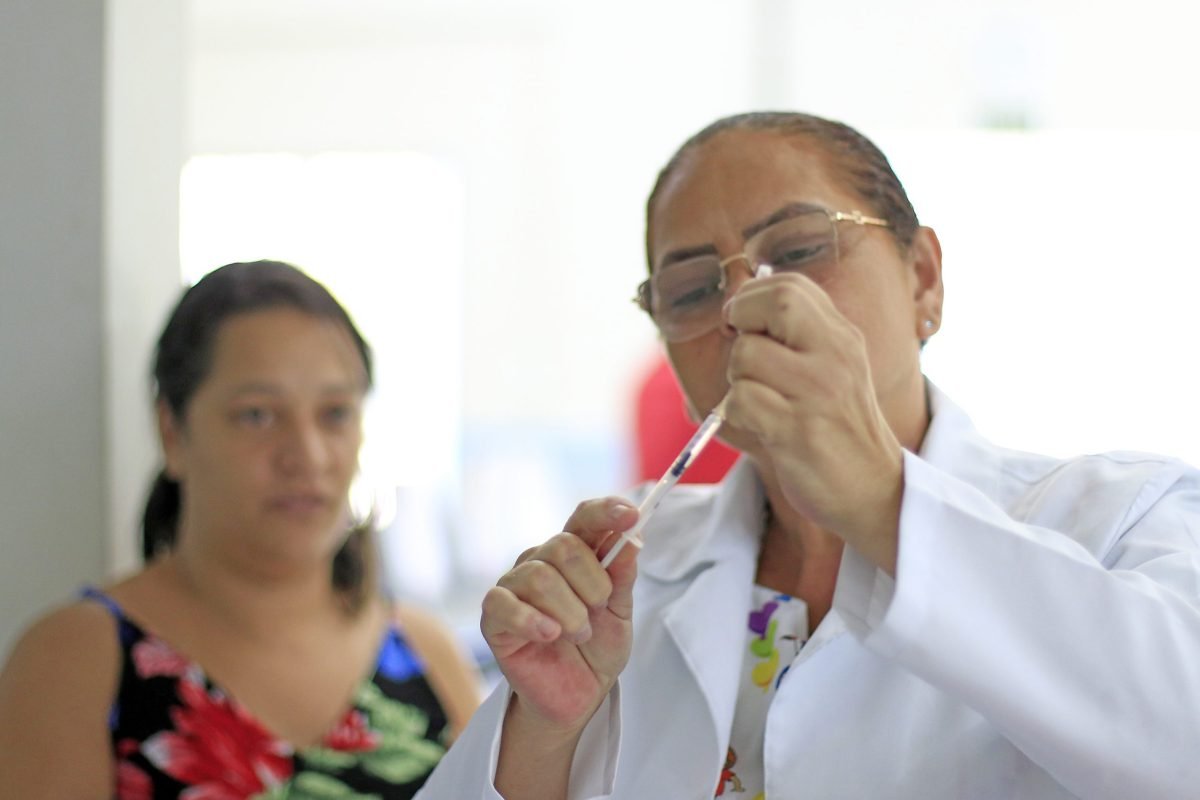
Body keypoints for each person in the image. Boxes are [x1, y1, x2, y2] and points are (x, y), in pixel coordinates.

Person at [417, 112, 1200, 799]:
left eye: (796, 249)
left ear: (923, 278)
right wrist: (545, 738)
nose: (739, 307)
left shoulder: (1119, 518)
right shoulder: (623, 578)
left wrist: (879, 500)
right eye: (689, 291)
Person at [0, 260, 483, 798]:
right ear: (173, 432)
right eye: (257, 415)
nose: (307, 455)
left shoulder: (426, 656)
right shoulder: (79, 660)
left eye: (335, 414)